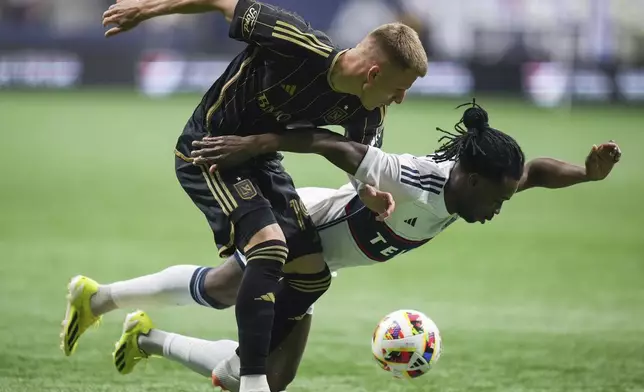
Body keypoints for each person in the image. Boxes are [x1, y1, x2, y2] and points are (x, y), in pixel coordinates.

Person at [62, 102, 621, 391]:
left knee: (269, 372)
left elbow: (537, 171)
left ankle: (141, 332)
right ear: (471, 181)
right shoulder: (410, 179)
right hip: (300, 225)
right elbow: (332, 143)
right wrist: (260, 143)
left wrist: (588, 175)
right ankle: (100, 300)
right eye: (497, 200)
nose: (501, 208)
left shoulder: (479, 186)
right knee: (227, 292)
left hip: (319, 265)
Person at [61, 2, 429, 392]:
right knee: (269, 249)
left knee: (310, 275)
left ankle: (98, 300)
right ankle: (253, 381)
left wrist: (368, 193)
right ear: (373, 73)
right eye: (400, 89)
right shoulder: (296, 42)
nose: (400, 99)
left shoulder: (368, 110)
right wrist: (147, 10)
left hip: (261, 161)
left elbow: (359, 163)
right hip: (209, 150)